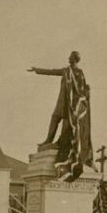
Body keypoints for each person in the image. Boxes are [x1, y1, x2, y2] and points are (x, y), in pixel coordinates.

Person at [28, 51, 94, 180]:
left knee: (66, 126)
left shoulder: (79, 73)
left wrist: (85, 94)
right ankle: (48, 140)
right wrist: (37, 70)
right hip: (62, 101)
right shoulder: (66, 70)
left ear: (74, 59)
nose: (68, 58)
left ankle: (61, 143)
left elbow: (82, 90)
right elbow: (52, 71)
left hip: (72, 105)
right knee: (54, 118)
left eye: (70, 56)